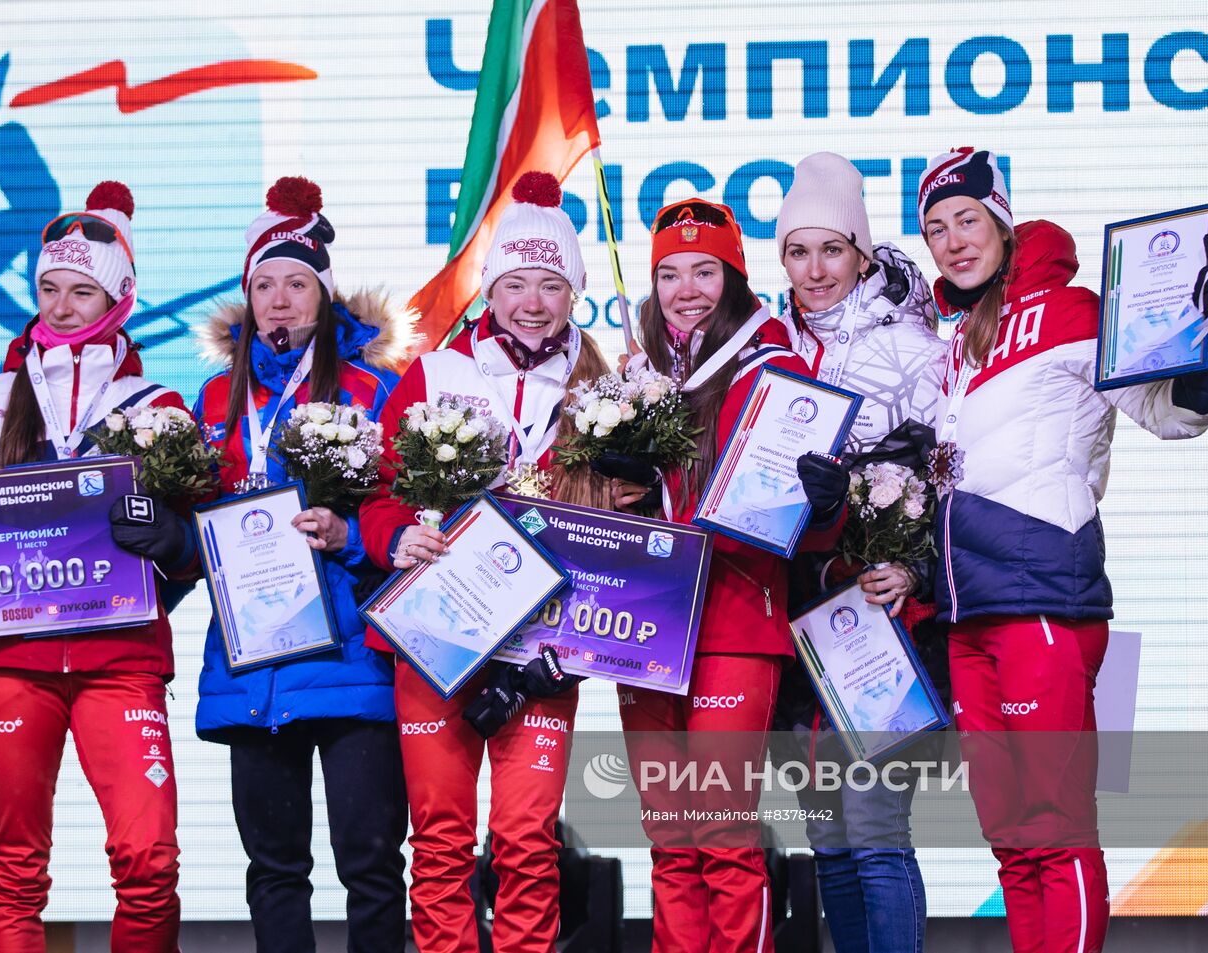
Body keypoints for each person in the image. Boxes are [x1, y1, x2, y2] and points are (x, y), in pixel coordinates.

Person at [916, 146, 1208, 953]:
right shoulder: (954, 343)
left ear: (1001, 219)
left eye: (968, 219)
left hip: (1044, 604)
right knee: (1012, 840)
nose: (955, 240)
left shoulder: (1072, 308)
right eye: (936, 227)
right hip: (969, 618)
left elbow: (1173, 410)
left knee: (1057, 827)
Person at [0, 182, 190, 952]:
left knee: (149, 858)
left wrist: (168, 537)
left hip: (119, 659)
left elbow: (194, 549)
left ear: (118, 298)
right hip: (8, 660)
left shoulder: (159, 406)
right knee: (16, 866)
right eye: (50, 288)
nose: (60, 307)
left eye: (81, 291)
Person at [358, 171, 612, 953]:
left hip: (546, 646)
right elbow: (375, 490)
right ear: (489, 289)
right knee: (439, 842)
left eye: (550, 284)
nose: (532, 302)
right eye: (514, 283)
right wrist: (396, 537)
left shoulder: (605, 385)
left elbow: (631, 511)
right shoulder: (435, 373)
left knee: (528, 840)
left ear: (573, 292)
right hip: (438, 634)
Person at [609, 197, 850, 953]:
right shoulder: (635, 370)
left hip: (733, 621)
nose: (687, 289)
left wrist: (827, 502)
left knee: (721, 831)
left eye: (705, 270)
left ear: (735, 277)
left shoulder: (773, 363)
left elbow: (812, 521)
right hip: (646, 623)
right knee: (670, 837)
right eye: (671, 273)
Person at [190, 176, 417, 953]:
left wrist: (347, 535)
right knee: (274, 868)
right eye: (263, 285)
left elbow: (404, 520)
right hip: (252, 664)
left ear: (324, 296)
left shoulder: (374, 390)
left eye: (296, 283)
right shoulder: (214, 399)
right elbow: (196, 528)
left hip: (353, 661)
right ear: (247, 299)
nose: (279, 300)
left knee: (373, 865)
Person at [769, 152, 949, 953]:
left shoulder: (916, 349)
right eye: (797, 252)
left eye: (831, 250)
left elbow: (954, 483)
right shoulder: (771, 349)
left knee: (875, 827)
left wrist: (914, 569)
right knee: (828, 838)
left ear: (863, 252)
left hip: (882, 616)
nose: (815, 271)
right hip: (796, 621)